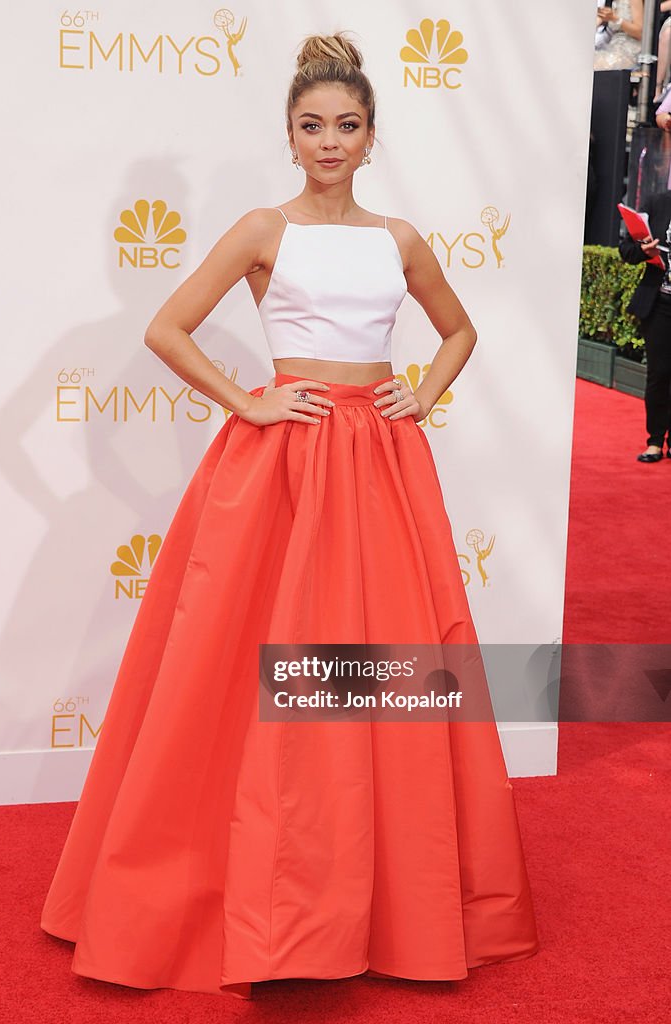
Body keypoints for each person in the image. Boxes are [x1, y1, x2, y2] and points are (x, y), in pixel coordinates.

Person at [39, 32, 540, 999]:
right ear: (290, 135)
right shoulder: (264, 229)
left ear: (370, 136)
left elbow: (460, 327)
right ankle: (242, 891)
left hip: (382, 464)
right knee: (243, 667)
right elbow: (166, 327)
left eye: (346, 125)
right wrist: (252, 400)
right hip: (285, 465)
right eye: (312, 126)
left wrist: (422, 392)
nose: (329, 141)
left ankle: (389, 894)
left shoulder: (398, 239)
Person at [618, 187, 671, 461]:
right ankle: (655, 441)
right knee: (659, 373)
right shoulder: (658, 203)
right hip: (659, 304)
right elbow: (625, 249)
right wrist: (643, 250)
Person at [594, 0, 643, 71]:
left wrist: (615, 19)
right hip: (613, 45)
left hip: (630, 48)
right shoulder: (610, 2)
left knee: (598, 66)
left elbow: (639, 33)